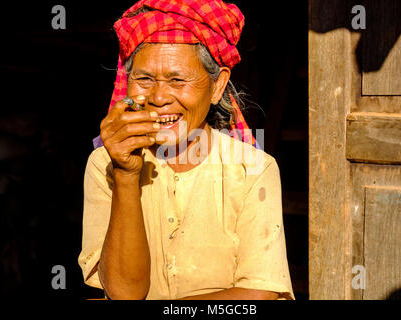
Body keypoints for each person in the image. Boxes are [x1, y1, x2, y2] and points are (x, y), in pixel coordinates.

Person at [78, 0, 294, 300]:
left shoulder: (252, 168)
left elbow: (260, 294)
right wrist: (126, 174)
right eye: (144, 79)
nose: (158, 97)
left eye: (177, 79)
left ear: (217, 86)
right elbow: (123, 293)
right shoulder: (104, 162)